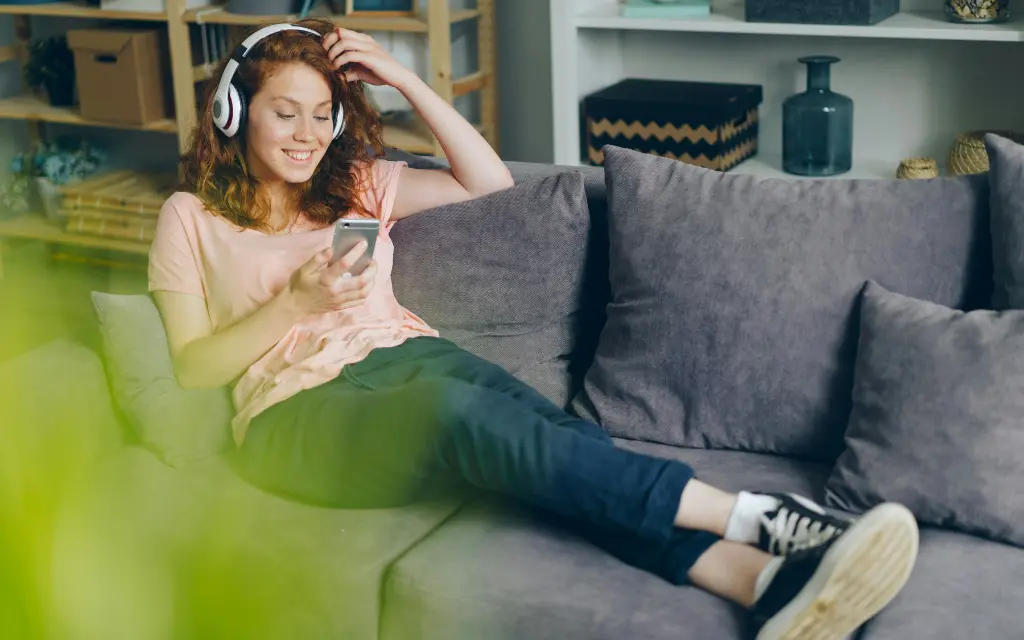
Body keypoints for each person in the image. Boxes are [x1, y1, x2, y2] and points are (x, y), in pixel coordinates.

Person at [148, 18, 919, 640]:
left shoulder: (354, 184)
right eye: (286, 113)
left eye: (323, 114)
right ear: (235, 110)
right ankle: (769, 519)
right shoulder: (190, 218)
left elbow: (489, 183)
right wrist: (295, 305)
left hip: (410, 359)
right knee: (461, 416)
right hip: (298, 418)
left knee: (553, 439)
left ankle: (762, 586)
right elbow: (191, 366)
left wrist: (406, 81)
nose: (307, 134)